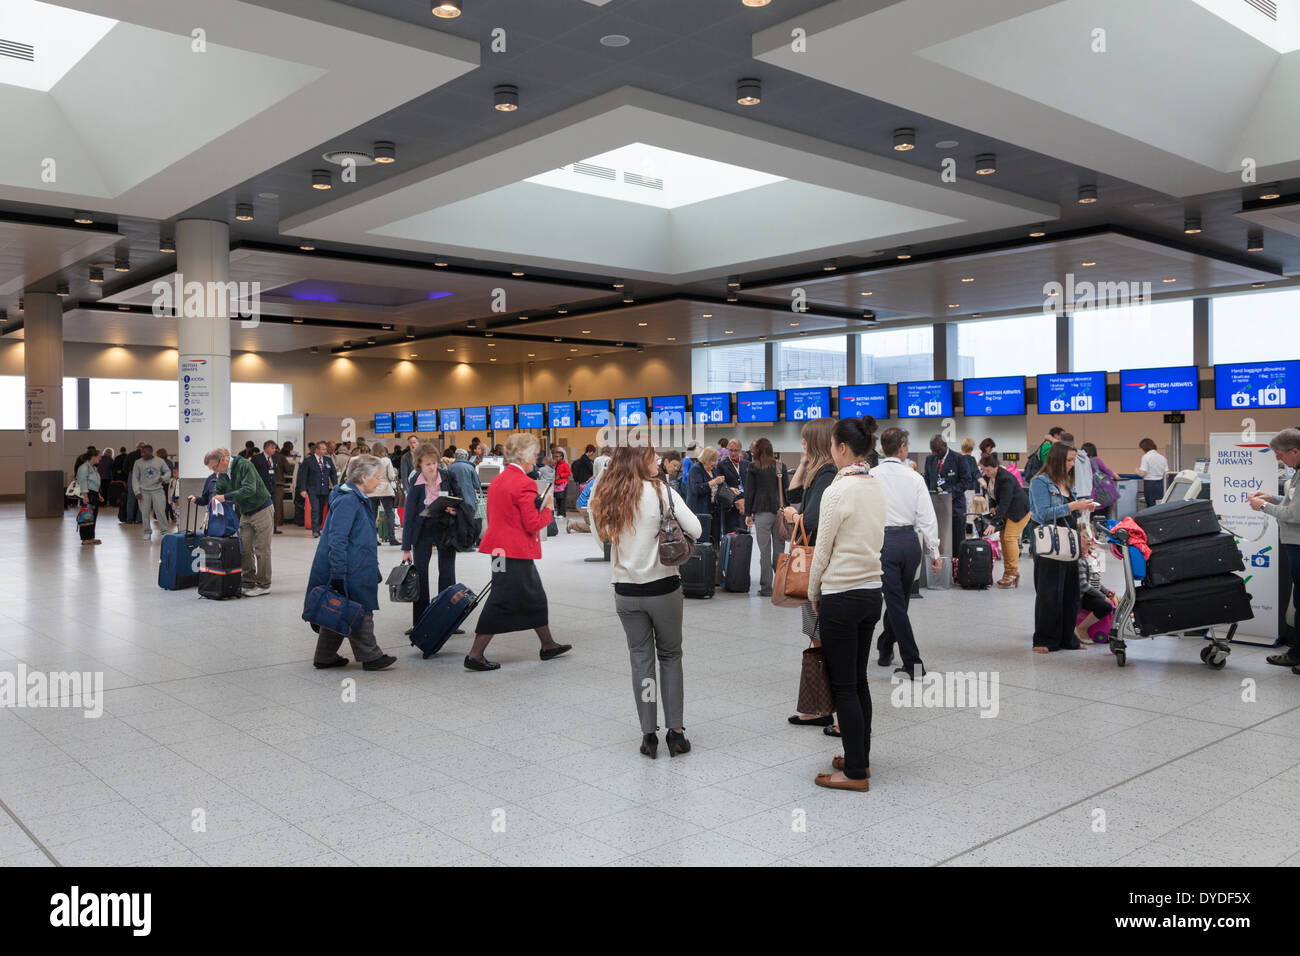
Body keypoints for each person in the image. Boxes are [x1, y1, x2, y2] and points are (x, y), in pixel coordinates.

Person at [591, 445, 703, 758]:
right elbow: (696, 528)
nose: (657, 460)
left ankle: (648, 735)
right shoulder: (662, 493)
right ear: (640, 461)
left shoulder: (610, 496)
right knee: (670, 657)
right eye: (652, 456)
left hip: (626, 593)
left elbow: (600, 537)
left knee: (641, 661)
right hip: (663, 589)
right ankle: (676, 733)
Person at [806, 417, 887, 792]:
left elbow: (822, 550)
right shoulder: (875, 485)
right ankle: (859, 758)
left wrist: (812, 592)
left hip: (841, 593)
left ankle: (854, 773)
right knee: (858, 681)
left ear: (841, 448)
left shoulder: (838, 491)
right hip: (872, 592)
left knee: (844, 687)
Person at [467, 433, 572, 671]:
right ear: (524, 455)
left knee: (533, 596)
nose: (536, 459)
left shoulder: (499, 480)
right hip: (515, 551)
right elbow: (532, 523)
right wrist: (548, 508)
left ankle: (548, 644)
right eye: (534, 454)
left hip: (499, 549)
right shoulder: (524, 483)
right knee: (500, 599)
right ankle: (475, 655)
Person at [306, 455, 396, 672]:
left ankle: (325, 656)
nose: (379, 482)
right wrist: (339, 572)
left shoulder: (354, 497)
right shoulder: (348, 500)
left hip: (356, 564)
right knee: (360, 608)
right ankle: (371, 656)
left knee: (340, 607)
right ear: (363, 477)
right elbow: (337, 539)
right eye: (376, 477)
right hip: (350, 567)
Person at [781, 418, 839, 729]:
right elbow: (792, 494)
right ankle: (820, 704)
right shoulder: (820, 473)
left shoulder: (827, 474)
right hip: (818, 565)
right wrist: (804, 464)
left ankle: (822, 706)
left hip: (815, 566)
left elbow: (812, 519)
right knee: (816, 636)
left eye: (805, 441)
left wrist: (794, 517)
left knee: (819, 637)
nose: (801, 445)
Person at [872, 428, 943, 678]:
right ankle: (896, 652)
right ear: (902, 448)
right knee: (899, 602)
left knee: (896, 603)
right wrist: (934, 551)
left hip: (883, 542)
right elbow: (926, 516)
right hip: (909, 542)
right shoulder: (914, 477)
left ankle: (901, 656)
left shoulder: (872, 476)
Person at [1028, 442, 1097, 653]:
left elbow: (1074, 516)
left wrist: (1083, 514)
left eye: (1073, 460)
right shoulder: (1039, 482)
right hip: (1049, 540)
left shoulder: (1068, 482)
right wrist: (1073, 506)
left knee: (1070, 591)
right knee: (1049, 592)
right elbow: (1042, 514)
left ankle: (1068, 638)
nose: (1071, 464)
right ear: (1056, 460)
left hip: (1069, 539)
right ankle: (1044, 639)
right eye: (1068, 460)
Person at [1250, 429, 1300, 672]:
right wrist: (1273, 498)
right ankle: (1297, 653)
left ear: (1295, 451)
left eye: (1280, 455)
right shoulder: (1297, 474)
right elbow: (1292, 503)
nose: (1280, 461)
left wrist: (1263, 507)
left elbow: (1294, 515)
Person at [402, 442, 462, 630]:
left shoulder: (448, 476)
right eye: (427, 464)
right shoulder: (416, 483)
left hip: (445, 530)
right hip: (423, 532)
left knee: (447, 574)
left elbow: (463, 500)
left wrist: (455, 509)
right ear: (419, 464)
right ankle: (419, 621)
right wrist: (405, 547)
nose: (432, 467)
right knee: (420, 576)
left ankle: (448, 618)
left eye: (434, 463)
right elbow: (410, 515)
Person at [201, 447, 276, 596]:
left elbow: (250, 489)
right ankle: (248, 581)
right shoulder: (222, 473)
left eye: (215, 467)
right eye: (211, 470)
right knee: (245, 548)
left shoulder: (244, 465)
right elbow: (219, 489)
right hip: (245, 513)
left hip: (262, 509)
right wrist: (215, 497)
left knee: (262, 549)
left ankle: (264, 584)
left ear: (223, 459)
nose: (215, 472)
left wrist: (225, 497)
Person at [745, 438, 788, 598]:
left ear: (756, 451)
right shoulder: (780, 466)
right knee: (779, 551)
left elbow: (750, 492)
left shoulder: (753, 467)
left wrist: (748, 514)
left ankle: (766, 588)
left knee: (764, 551)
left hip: (762, 513)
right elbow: (785, 490)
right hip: (779, 512)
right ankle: (781, 586)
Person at [980, 453, 1031, 588]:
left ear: (996, 466)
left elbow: (1005, 503)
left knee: (1009, 538)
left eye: (988, 470)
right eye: (983, 470)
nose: (985, 473)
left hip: (1020, 510)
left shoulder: (1005, 479)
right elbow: (991, 495)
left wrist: (994, 523)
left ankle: (1013, 572)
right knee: (1003, 539)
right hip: (1007, 511)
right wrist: (991, 507)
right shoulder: (989, 477)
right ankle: (1008, 572)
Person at [924, 434, 978, 546]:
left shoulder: (959, 459)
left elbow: (966, 481)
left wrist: (948, 493)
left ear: (945, 446)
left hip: (955, 508)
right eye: (932, 450)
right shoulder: (930, 459)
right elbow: (927, 481)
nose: (935, 453)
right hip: (936, 509)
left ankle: (957, 563)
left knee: (957, 543)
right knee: (939, 542)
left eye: (937, 450)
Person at [297, 441, 338, 538]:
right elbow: (303, 476)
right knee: (315, 509)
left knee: (320, 509)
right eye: (323, 449)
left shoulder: (328, 460)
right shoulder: (308, 461)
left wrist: (336, 486)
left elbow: (333, 474)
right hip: (312, 489)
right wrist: (302, 489)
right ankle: (315, 530)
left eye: (325, 449)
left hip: (324, 489)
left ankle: (318, 527)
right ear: (317, 450)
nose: (325, 451)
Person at [685, 446, 726, 542]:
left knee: (715, 539)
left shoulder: (714, 470)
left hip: (714, 510)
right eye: (713, 460)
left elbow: (718, 487)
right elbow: (696, 489)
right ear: (706, 459)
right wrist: (713, 482)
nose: (715, 463)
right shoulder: (696, 469)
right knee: (703, 540)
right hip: (700, 510)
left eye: (716, 460)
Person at [132, 445, 172, 539]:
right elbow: (135, 478)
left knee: (160, 511)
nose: (142, 454)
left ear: (150, 452)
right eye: (141, 452)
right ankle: (147, 531)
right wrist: (137, 491)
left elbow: (168, 472)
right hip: (143, 491)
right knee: (144, 512)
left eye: (144, 452)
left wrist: (163, 478)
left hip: (157, 490)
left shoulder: (159, 461)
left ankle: (164, 531)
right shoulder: (138, 463)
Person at [368, 441, 400, 546]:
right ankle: (392, 538)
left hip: (373, 490)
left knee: (372, 515)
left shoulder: (369, 461)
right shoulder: (386, 460)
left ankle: (373, 539)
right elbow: (391, 476)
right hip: (385, 489)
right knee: (389, 514)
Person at [717, 439, 749, 534]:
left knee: (743, 536)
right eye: (731, 450)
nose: (733, 453)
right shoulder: (721, 465)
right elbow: (722, 486)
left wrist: (745, 501)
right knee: (730, 536)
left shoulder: (747, 464)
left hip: (744, 506)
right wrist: (736, 501)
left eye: (736, 450)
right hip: (729, 506)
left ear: (740, 450)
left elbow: (750, 485)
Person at [251, 441, 283, 534]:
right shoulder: (257, 458)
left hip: (272, 487)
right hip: (260, 488)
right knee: (261, 509)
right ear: (266, 448)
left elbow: (275, 470)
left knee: (273, 508)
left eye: (274, 448)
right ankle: (261, 528)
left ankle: (273, 528)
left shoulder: (274, 458)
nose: (274, 450)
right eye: (272, 448)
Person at [1081, 442, 1119, 515]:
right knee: (1102, 516)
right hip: (1100, 493)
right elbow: (1106, 470)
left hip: (1086, 492)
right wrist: (1114, 476)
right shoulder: (1096, 460)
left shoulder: (1081, 461)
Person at [75, 449, 103, 546]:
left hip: (94, 494)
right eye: (99, 456)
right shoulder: (84, 468)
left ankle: (91, 537)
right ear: (93, 457)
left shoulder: (93, 468)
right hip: (88, 494)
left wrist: (99, 494)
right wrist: (85, 496)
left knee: (92, 516)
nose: (101, 458)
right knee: (86, 516)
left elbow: (95, 482)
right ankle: (85, 538)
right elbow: (83, 482)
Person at [1137, 438, 1169, 508]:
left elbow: (1143, 474)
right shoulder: (1162, 458)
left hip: (1149, 484)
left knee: (1150, 504)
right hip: (1161, 484)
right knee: (1159, 505)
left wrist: (1137, 472)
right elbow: (1166, 474)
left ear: (1144, 448)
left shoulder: (1145, 457)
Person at [1061, 432, 1091, 499]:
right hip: (1087, 492)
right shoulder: (1086, 458)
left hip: (1076, 492)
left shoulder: (1069, 458)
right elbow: (1097, 473)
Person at [551, 448, 571, 520]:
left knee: (562, 499)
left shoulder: (565, 464)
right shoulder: (555, 464)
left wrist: (560, 476)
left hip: (563, 484)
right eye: (555, 456)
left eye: (558, 456)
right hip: (556, 484)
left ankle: (562, 514)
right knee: (558, 499)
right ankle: (559, 513)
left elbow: (568, 473)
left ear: (562, 457)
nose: (556, 458)